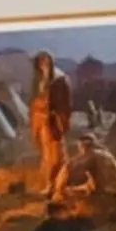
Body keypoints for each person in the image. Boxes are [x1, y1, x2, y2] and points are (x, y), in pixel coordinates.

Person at [28, 50, 73, 205]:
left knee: (57, 157)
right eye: (40, 62)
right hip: (42, 124)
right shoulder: (41, 80)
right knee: (47, 156)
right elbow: (36, 102)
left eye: (45, 61)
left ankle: (56, 187)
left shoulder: (58, 80)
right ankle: (50, 186)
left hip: (52, 124)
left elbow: (62, 105)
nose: (43, 65)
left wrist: (57, 119)